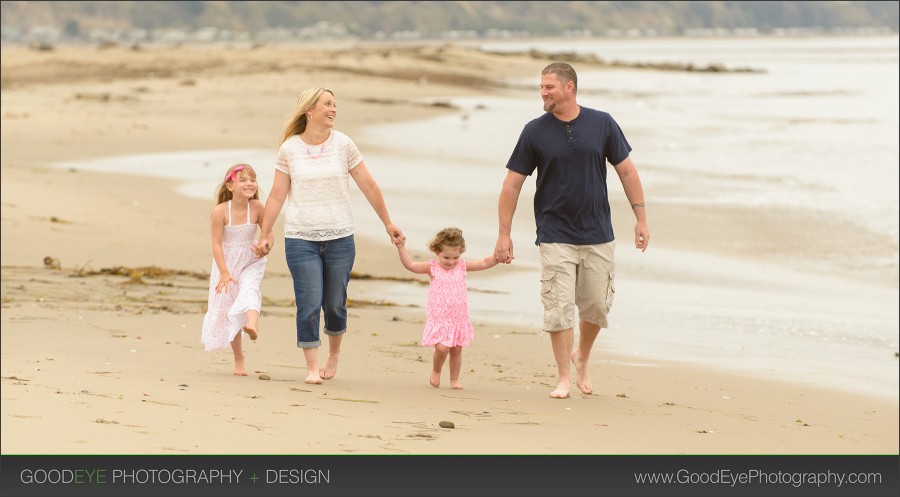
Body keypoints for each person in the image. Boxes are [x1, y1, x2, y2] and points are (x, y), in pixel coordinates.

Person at [493, 62, 650, 399]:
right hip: (554, 232)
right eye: (541, 87)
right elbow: (512, 185)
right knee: (559, 306)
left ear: (569, 87)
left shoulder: (603, 123)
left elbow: (627, 172)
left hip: (598, 232)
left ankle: (583, 356)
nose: (543, 93)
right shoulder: (534, 131)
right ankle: (563, 376)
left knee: (595, 305)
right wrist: (504, 234)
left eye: (549, 87)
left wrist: (641, 218)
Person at [254, 87, 404, 385]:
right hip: (300, 238)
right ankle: (311, 367)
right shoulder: (289, 150)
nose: (333, 109)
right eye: (327, 104)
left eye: (335, 104)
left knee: (334, 303)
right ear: (309, 110)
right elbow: (275, 196)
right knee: (308, 302)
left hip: (340, 237)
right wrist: (265, 232)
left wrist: (388, 223)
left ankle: (333, 354)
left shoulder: (344, 145)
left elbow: (369, 186)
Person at [395, 227, 498, 389]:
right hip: (440, 317)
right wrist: (401, 247)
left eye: (455, 257)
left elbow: (484, 262)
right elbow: (410, 265)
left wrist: (498, 257)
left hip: (458, 318)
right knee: (442, 348)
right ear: (436, 251)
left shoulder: (462, 266)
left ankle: (454, 379)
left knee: (456, 349)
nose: (451, 262)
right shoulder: (432, 267)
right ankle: (436, 371)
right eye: (446, 257)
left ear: (461, 253)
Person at [201, 163, 267, 376]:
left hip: (250, 260)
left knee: (250, 290)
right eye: (244, 180)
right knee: (230, 309)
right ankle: (239, 357)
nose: (250, 184)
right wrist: (225, 272)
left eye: (253, 180)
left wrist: (266, 245)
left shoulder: (257, 207)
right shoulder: (220, 211)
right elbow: (216, 244)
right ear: (230, 186)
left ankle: (253, 326)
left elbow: (268, 233)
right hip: (227, 265)